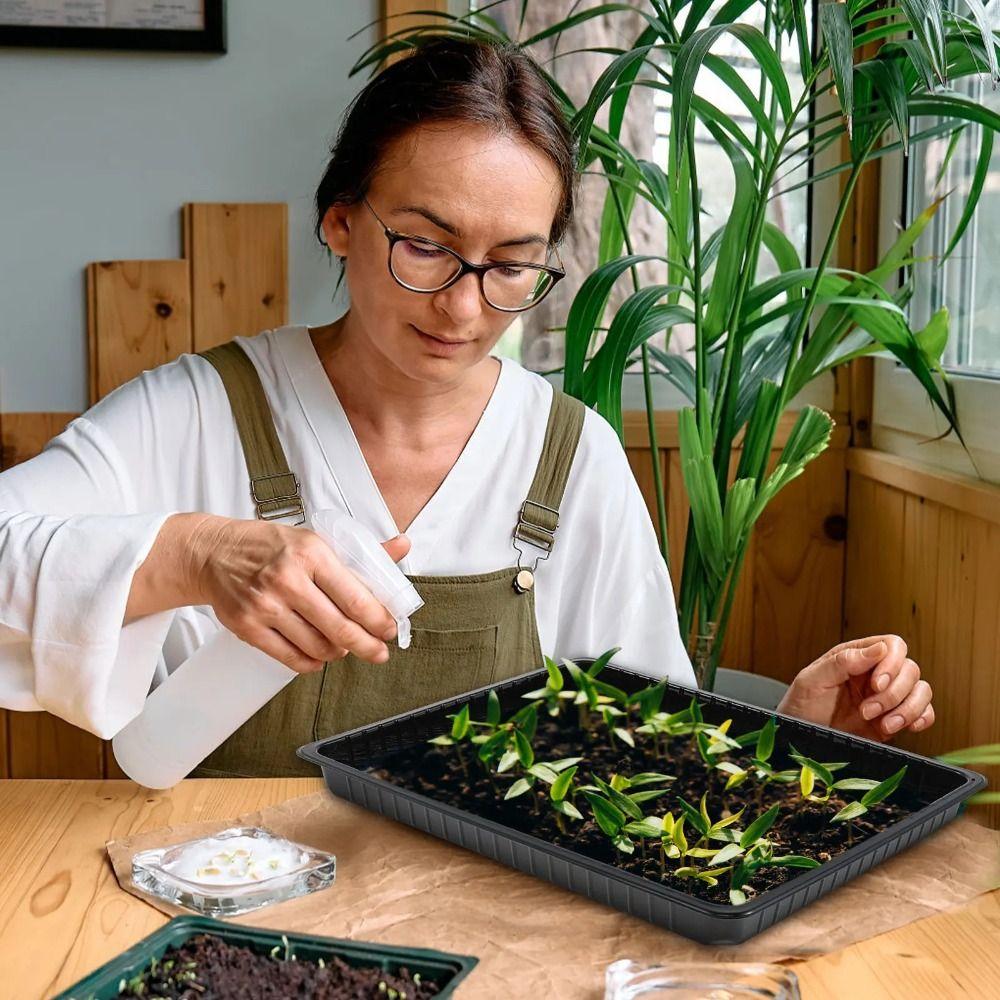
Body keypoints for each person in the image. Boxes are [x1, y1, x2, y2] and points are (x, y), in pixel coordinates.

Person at [0, 38, 933, 778]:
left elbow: (644, 760)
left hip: (491, 929)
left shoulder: (570, 455)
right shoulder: (196, 413)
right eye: (426, 245)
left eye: (512, 264)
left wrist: (800, 737)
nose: (463, 306)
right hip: (217, 905)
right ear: (340, 220)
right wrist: (192, 557)